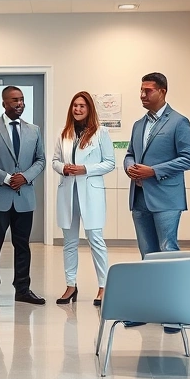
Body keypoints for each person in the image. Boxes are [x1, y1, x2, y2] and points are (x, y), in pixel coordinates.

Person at [123, 72, 190, 333]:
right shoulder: (138, 124)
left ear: (163, 92)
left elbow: (189, 158)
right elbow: (130, 154)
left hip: (166, 198)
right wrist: (130, 167)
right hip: (140, 196)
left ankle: (174, 312)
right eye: (141, 90)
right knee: (147, 254)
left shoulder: (178, 122)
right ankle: (147, 308)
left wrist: (153, 171)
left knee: (167, 250)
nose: (143, 95)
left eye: (148, 91)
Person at [0, 85, 47, 307]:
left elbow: (41, 160)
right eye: (15, 100)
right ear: (4, 103)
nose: (20, 104)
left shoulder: (33, 130)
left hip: (24, 197)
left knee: (23, 244)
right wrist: (6, 178)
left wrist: (25, 177)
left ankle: (23, 289)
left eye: (22, 100)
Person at [51, 91, 115, 307]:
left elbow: (109, 163)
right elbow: (54, 161)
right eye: (75, 105)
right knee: (69, 242)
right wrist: (64, 168)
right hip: (68, 191)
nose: (77, 109)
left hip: (91, 192)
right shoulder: (64, 133)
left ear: (89, 110)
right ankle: (71, 285)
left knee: (95, 240)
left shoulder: (101, 133)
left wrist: (85, 169)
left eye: (82, 106)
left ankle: (104, 286)